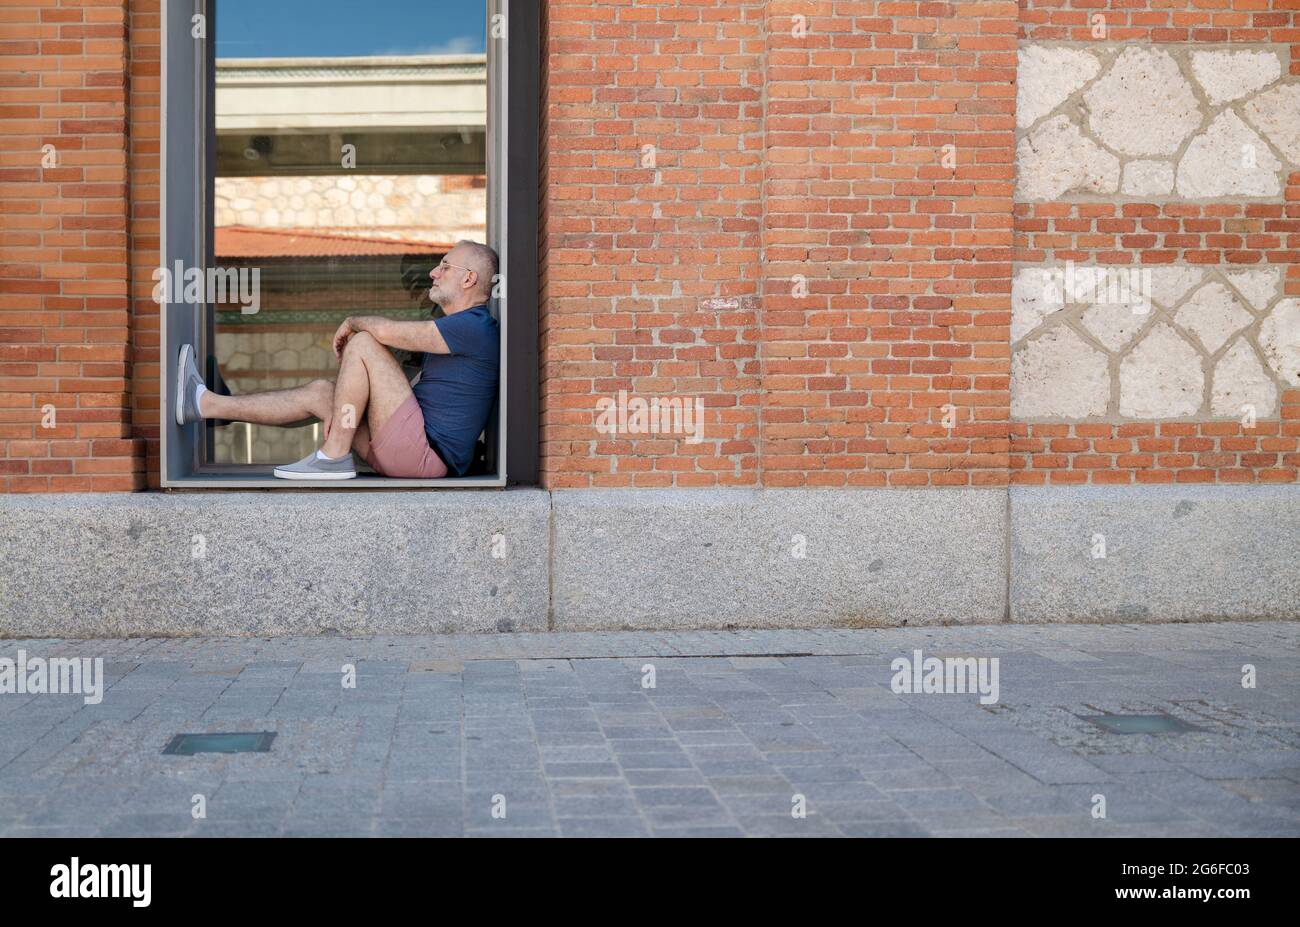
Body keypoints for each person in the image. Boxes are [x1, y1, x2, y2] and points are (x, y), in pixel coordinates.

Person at [173, 239, 499, 481]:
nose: (433, 272)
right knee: (320, 393)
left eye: (444, 266)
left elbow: (385, 331)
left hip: (424, 454)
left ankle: (332, 457)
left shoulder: (475, 326)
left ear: (469, 278)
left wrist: (353, 322)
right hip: (409, 449)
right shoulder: (456, 331)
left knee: (365, 343)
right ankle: (204, 404)